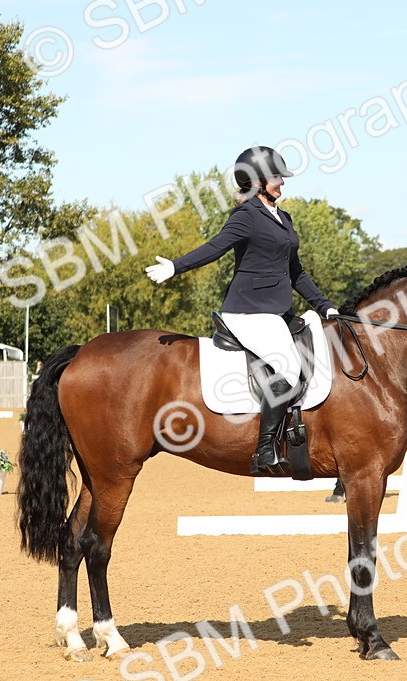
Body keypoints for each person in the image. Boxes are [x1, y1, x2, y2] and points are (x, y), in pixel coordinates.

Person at [145, 146, 339, 475]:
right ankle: (265, 450)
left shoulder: (284, 219)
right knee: (289, 367)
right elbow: (215, 247)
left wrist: (326, 306)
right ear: (257, 181)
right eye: (276, 177)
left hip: (277, 313)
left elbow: (296, 272)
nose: (282, 183)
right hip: (248, 312)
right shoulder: (247, 215)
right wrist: (176, 267)